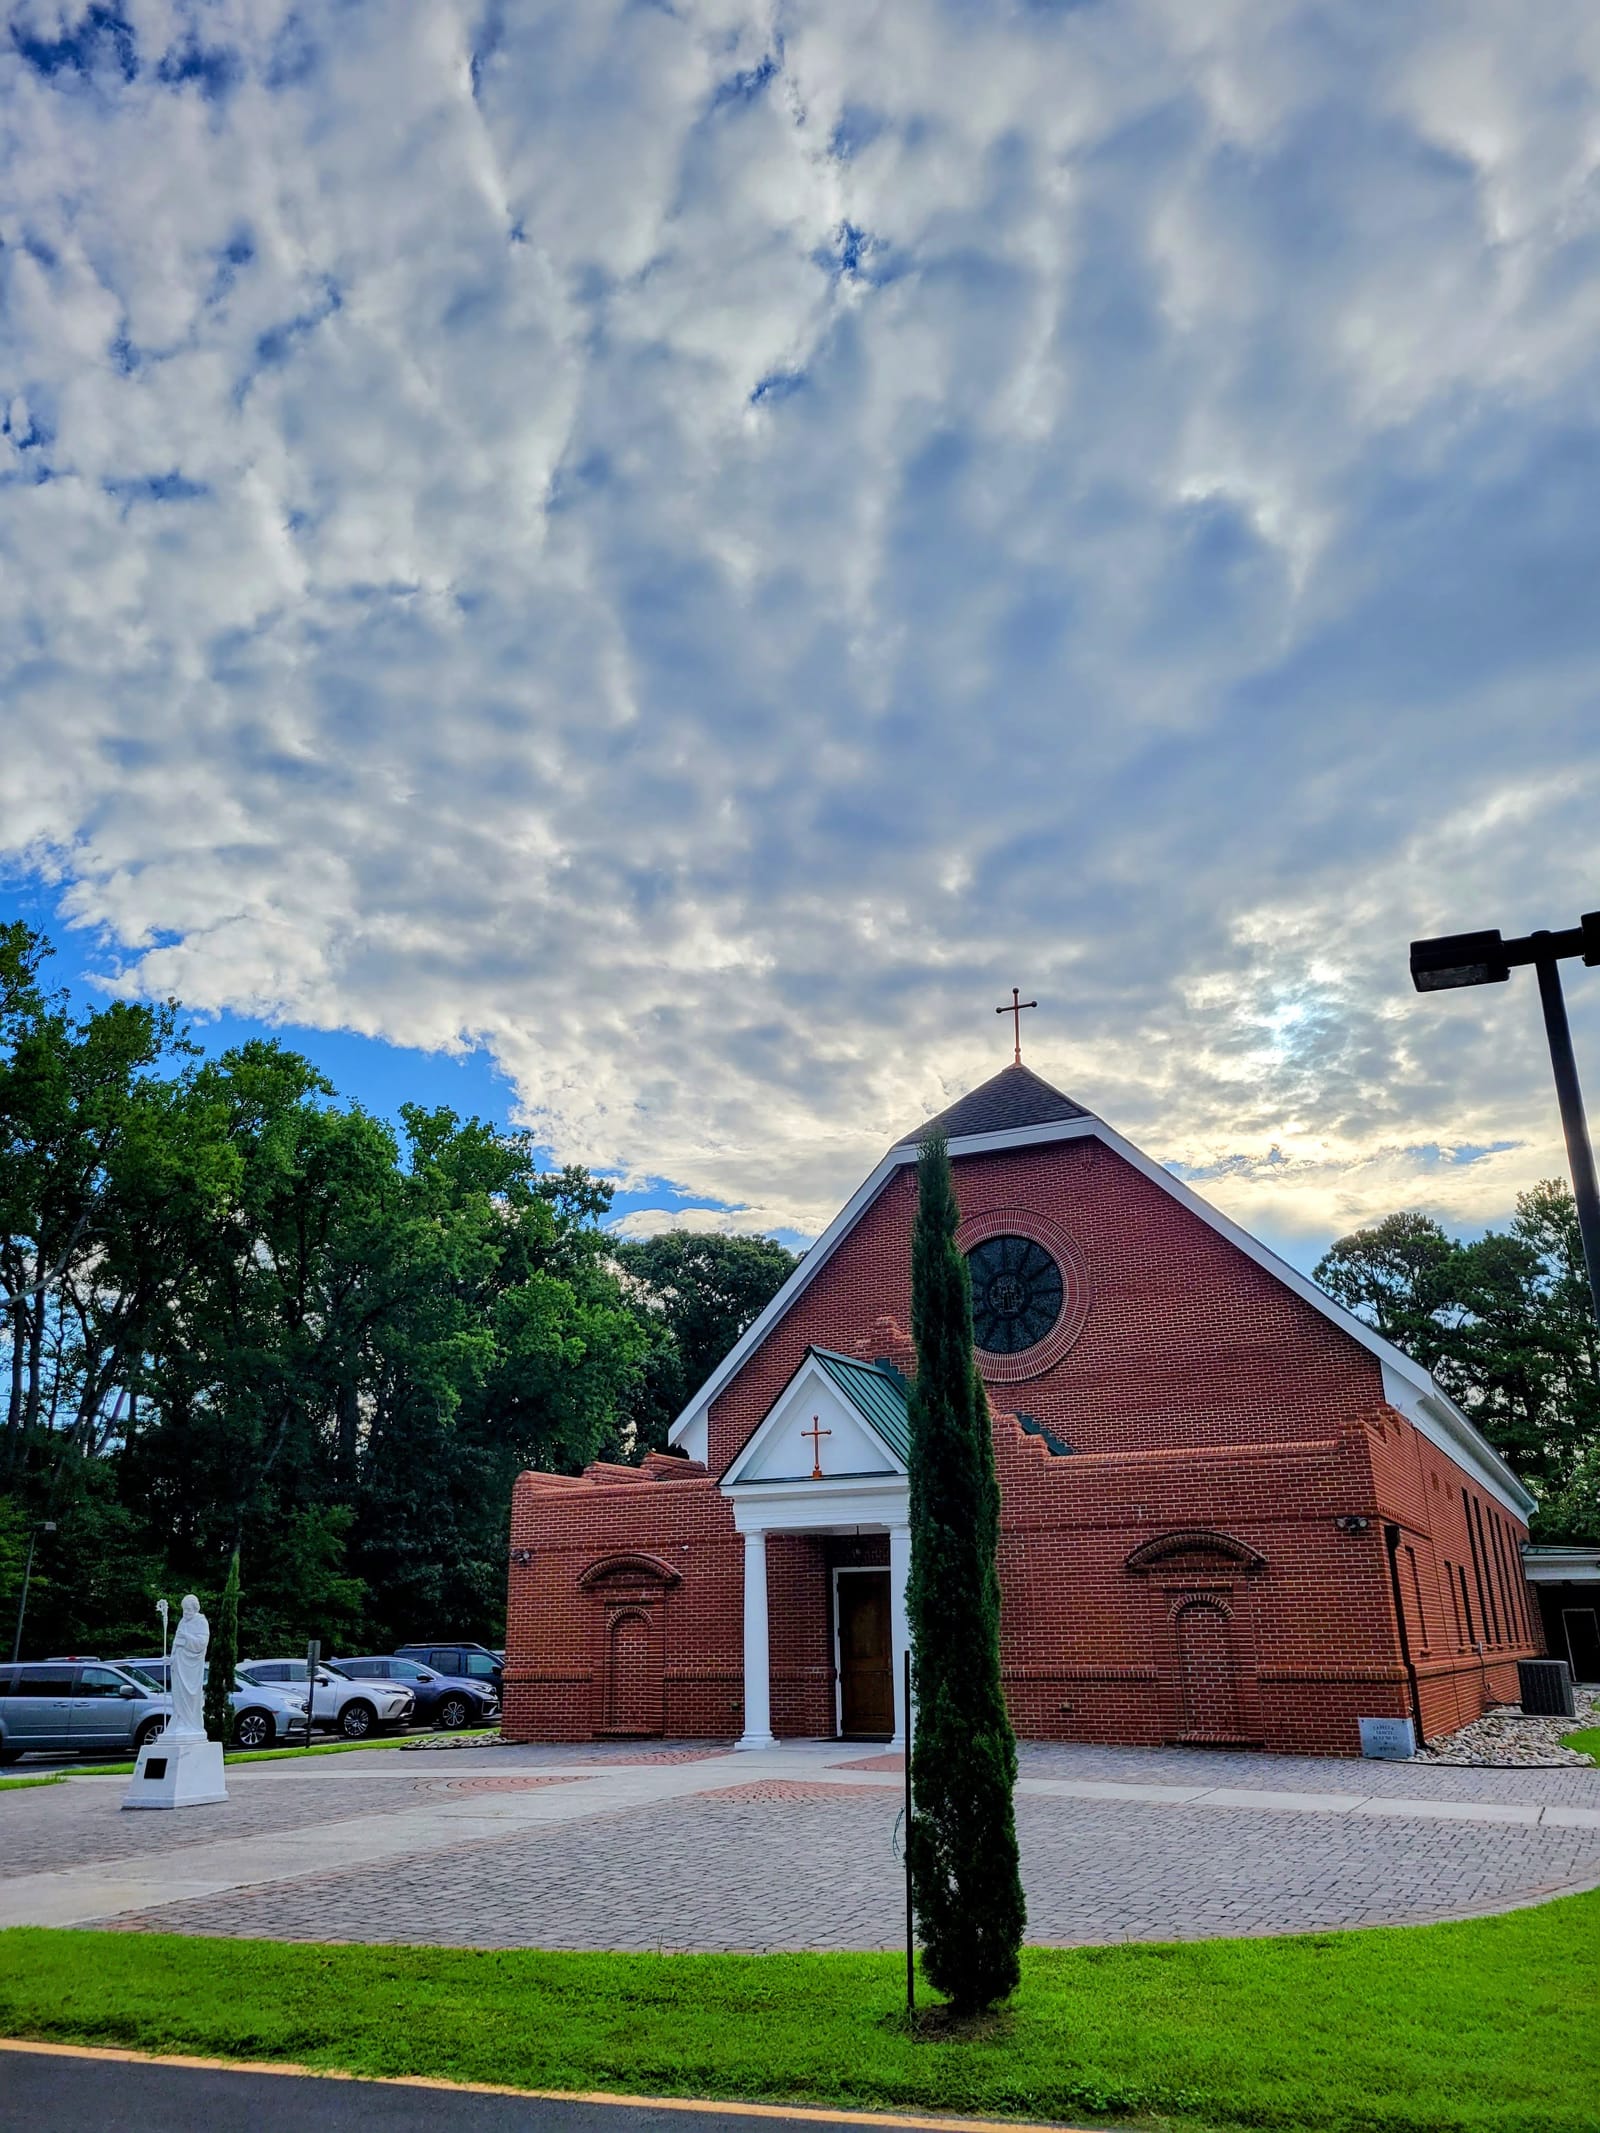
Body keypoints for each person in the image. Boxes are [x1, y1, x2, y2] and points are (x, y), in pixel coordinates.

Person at [168, 1594, 210, 1740]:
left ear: (195, 1608)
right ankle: (179, 1720)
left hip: (191, 1667)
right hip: (179, 1664)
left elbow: (202, 1643)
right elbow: (176, 1643)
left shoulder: (201, 1621)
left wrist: (186, 1637)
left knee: (190, 1693)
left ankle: (190, 1723)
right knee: (178, 1693)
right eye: (184, 1609)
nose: (185, 1612)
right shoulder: (182, 1622)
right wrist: (171, 1658)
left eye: (188, 1609)